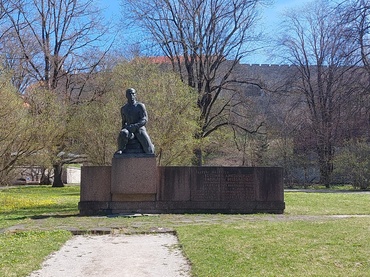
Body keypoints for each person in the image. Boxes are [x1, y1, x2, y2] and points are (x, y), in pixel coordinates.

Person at [116, 88, 155, 155]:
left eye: (133, 94)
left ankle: (151, 146)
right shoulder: (124, 108)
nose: (131, 95)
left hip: (139, 129)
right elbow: (124, 122)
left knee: (149, 151)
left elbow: (145, 119)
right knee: (123, 133)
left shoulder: (140, 106)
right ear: (126, 95)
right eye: (129, 94)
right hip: (129, 129)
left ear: (135, 95)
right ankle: (121, 149)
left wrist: (135, 126)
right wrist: (125, 129)